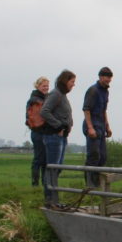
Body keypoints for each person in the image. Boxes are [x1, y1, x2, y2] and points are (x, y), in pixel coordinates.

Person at [40, 70, 75, 209]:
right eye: (72, 81)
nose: (73, 85)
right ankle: (50, 199)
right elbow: (44, 111)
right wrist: (58, 125)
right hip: (54, 136)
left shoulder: (62, 95)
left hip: (61, 137)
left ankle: (53, 198)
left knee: (56, 168)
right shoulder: (55, 94)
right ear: (65, 81)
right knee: (53, 169)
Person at [82, 66, 113, 187]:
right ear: (100, 77)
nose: (108, 80)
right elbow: (86, 109)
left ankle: (97, 182)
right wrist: (90, 127)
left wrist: (107, 126)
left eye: (110, 77)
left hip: (100, 125)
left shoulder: (106, 91)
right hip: (93, 124)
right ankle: (90, 183)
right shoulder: (93, 90)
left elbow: (104, 110)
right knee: (93, 155)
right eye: (106, 77)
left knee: (102, 156)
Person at [25, 76, 51, 187]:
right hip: (38, 132)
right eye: (44, 86)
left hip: (43, 132)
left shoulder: (44, 98)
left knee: (45, 159)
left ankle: (43, 183)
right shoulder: (36, 100)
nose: (46, 88)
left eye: (47, 86)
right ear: (38, 86)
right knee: (39, 158)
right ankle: (35, 183)